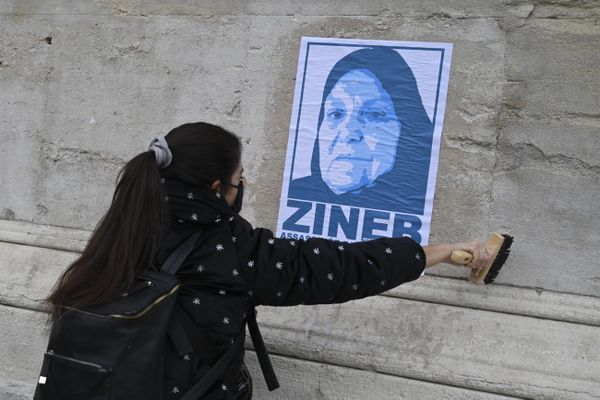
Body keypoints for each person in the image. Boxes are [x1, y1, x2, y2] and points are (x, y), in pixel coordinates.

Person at [47, 122, 490, 399]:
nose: (243, 188)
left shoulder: (123, 226)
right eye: (241, 179)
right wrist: (441, 251)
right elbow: (336, 269)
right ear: (218, 186)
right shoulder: (228, 249)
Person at [289, 47, 434, 215]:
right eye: (336, 113)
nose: (348, 133)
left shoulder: (420, 205)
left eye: (374, 114)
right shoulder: (297, 194)